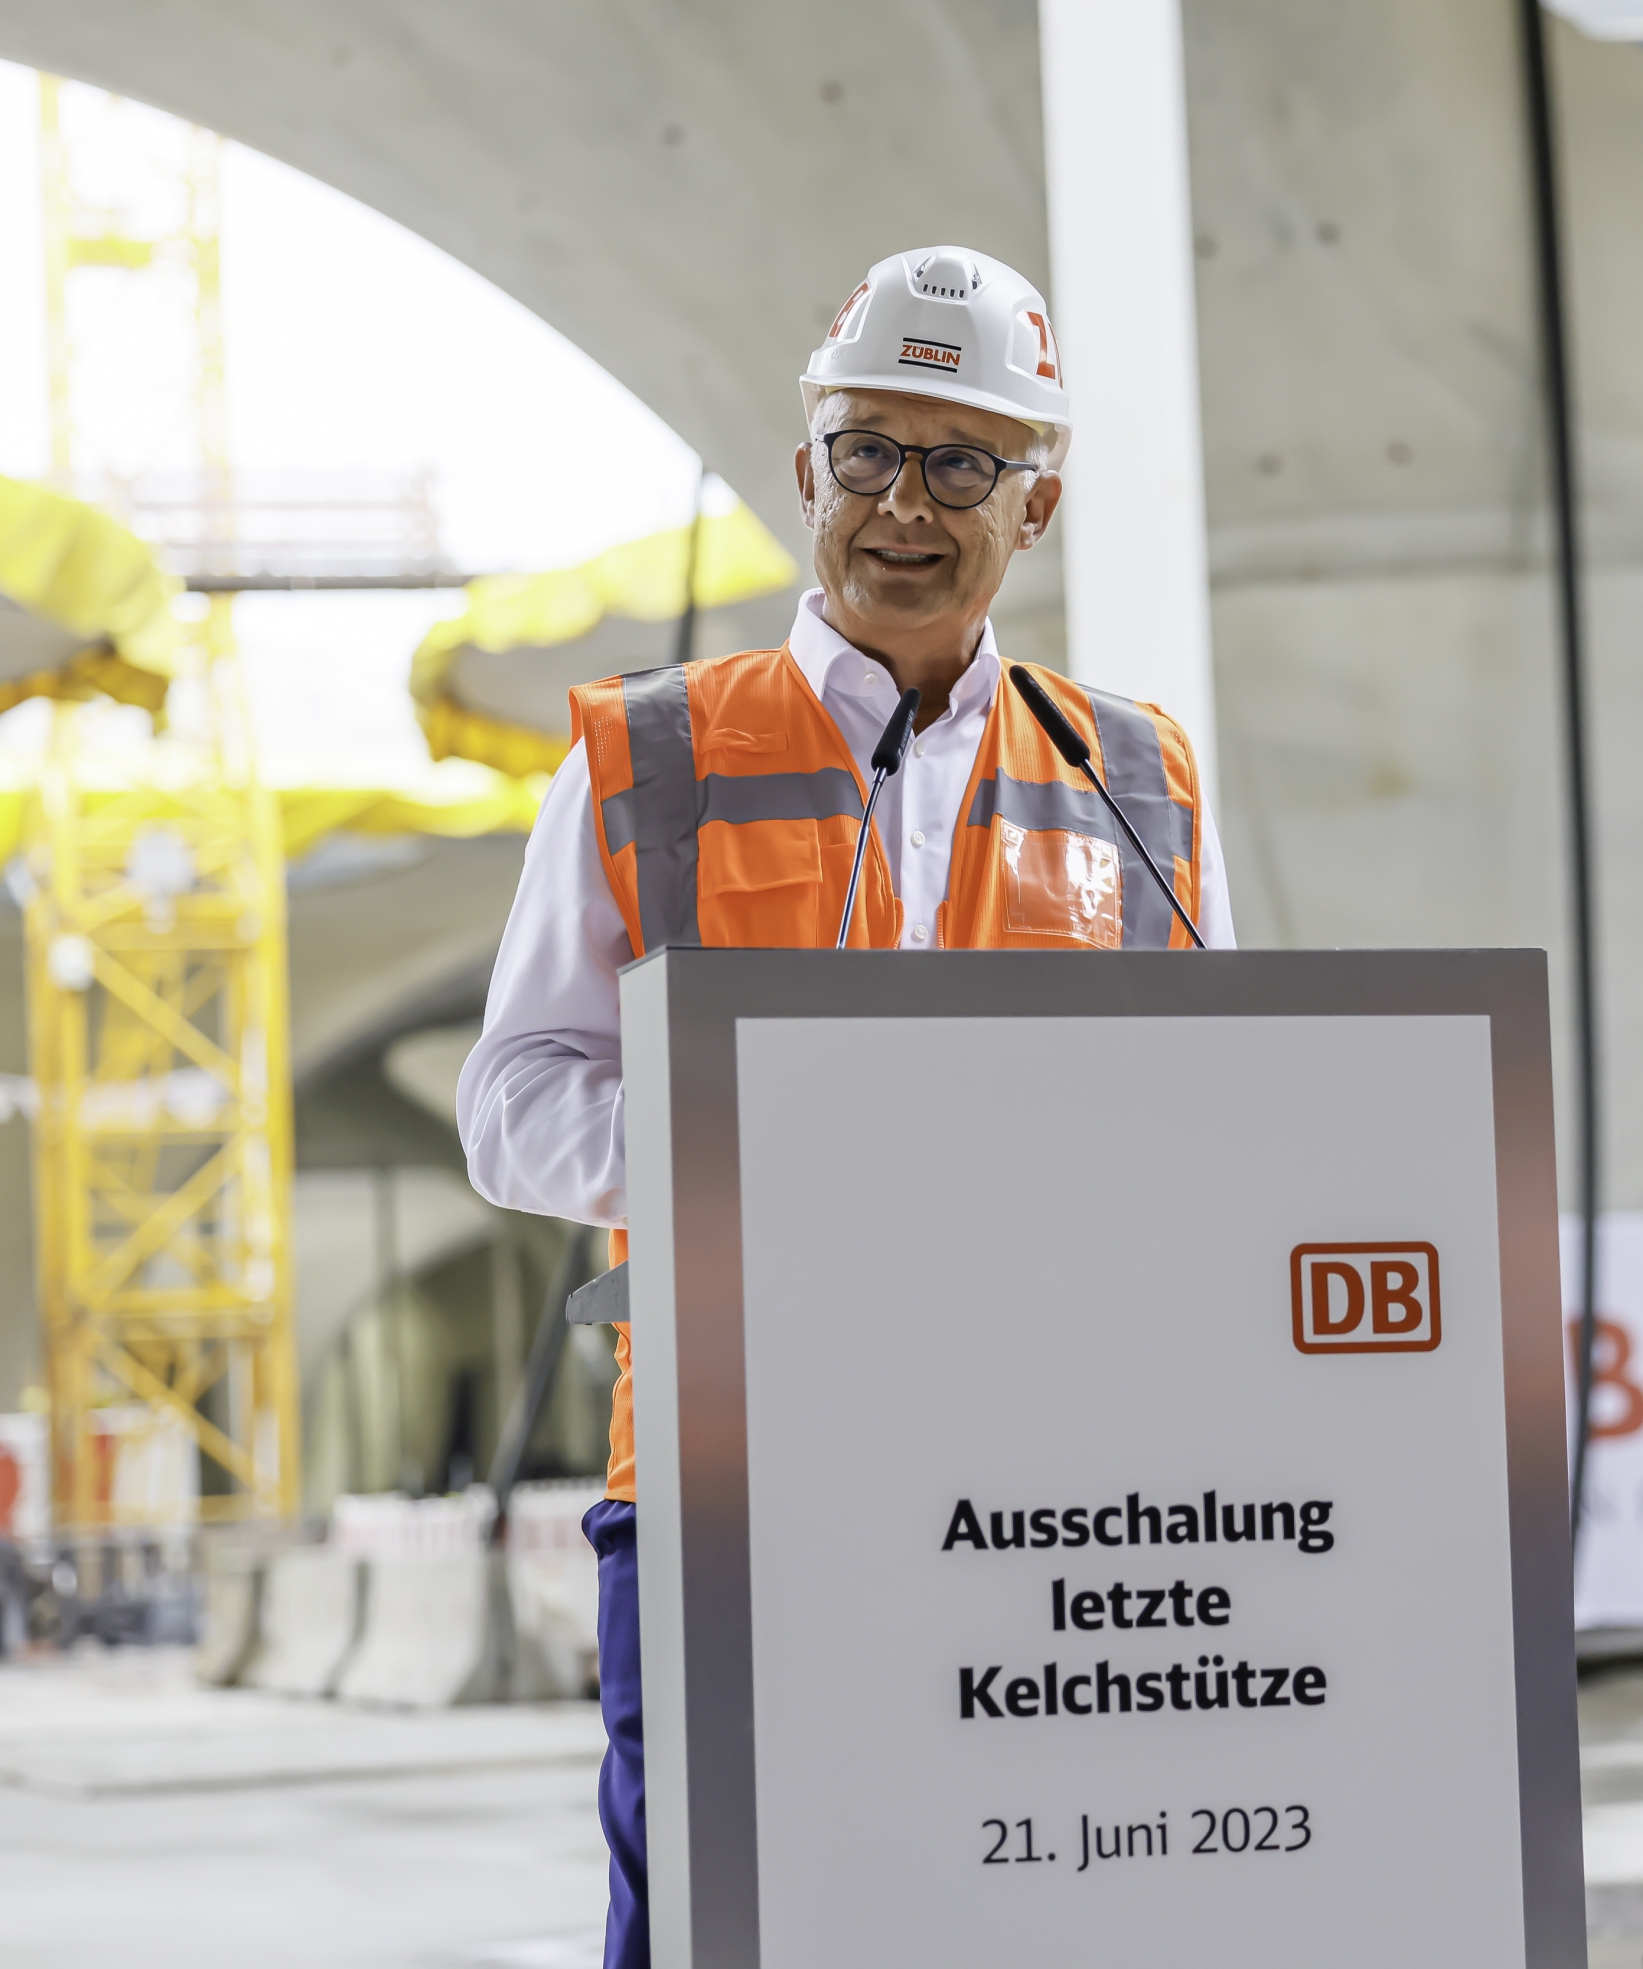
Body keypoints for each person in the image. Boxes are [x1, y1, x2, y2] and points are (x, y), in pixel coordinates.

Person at [456, 244, 1234, 1969]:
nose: (903, 503)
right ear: (807, 468)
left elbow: (1214, 1116)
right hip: (727, 1469)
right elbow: (512, 1105)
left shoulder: (1136, 776)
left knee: (1022, 1917)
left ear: (1035, 505)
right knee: (719, 1924)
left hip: (1049, 1480)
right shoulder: (649, 755)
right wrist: (771, 1159)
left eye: (960, 463)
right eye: (868, 450)